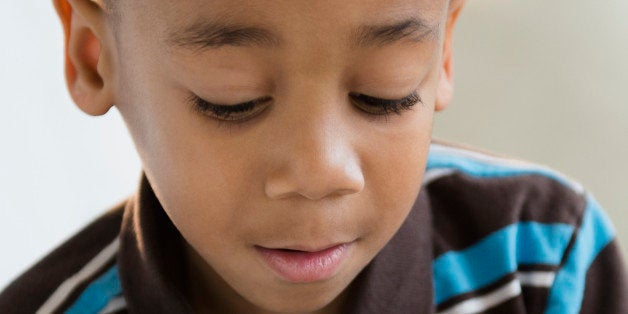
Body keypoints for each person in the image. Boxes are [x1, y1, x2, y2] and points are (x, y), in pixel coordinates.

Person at [0, 0, 626, 313]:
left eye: (384, 92)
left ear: (440, 53)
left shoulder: (544, 262)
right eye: (233, 100)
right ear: (93, 53)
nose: (322, 172)